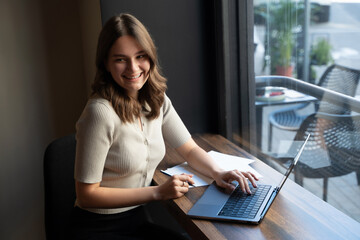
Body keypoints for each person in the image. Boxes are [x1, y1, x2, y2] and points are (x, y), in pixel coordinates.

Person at [71, 13, 259, 239]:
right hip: (98, 228)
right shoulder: (100, 113)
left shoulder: (156, 100)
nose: (133, 68)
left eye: (140, 56)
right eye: (120, 59)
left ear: (150, 57)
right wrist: (158, 192)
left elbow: (189, 149)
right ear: (105, 64)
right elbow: (86, 195)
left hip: (136, 219)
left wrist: (219, 172)